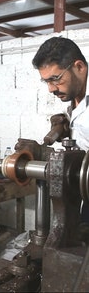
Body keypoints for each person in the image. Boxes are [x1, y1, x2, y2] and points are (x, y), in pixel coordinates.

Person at [32, 36, 89, 222]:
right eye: (46, 81)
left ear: (79, 67)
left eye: (55, 79)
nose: (50, 89)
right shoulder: (76, 95)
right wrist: (68, 128)